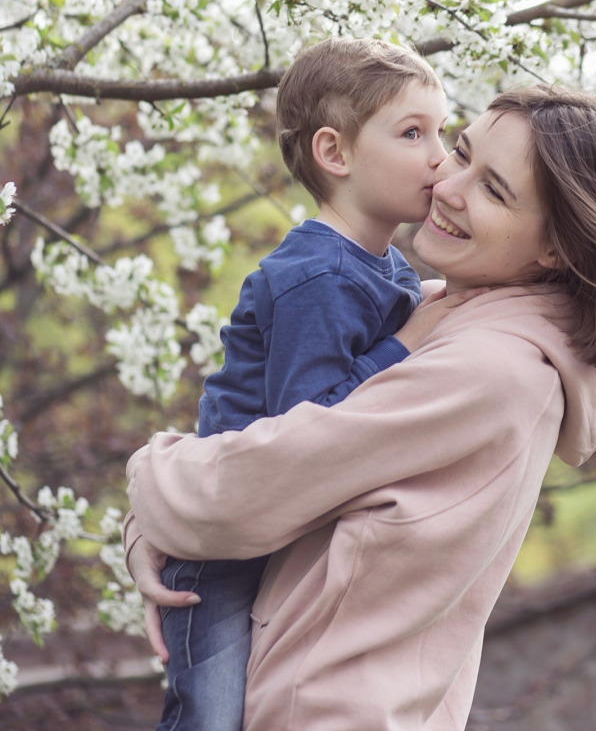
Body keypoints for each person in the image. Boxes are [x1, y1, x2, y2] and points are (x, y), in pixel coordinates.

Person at [125, 84, 596, 731]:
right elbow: (270, 439)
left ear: (558, 248)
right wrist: (160, 526)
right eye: (460, 153)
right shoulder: (441, 318)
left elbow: (262, 481)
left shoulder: (490, 370)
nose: (447, 186)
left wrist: (148, 483)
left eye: (493, 189)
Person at [150, 36, 449, 731]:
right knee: (211, 715)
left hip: (271, 531)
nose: (440, 156)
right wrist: (408, 343)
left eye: (442, 130)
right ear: (334, 153)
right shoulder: (317, 277)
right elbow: (308, 427)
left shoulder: (382, 266)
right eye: (413, 133)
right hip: (220, 545)